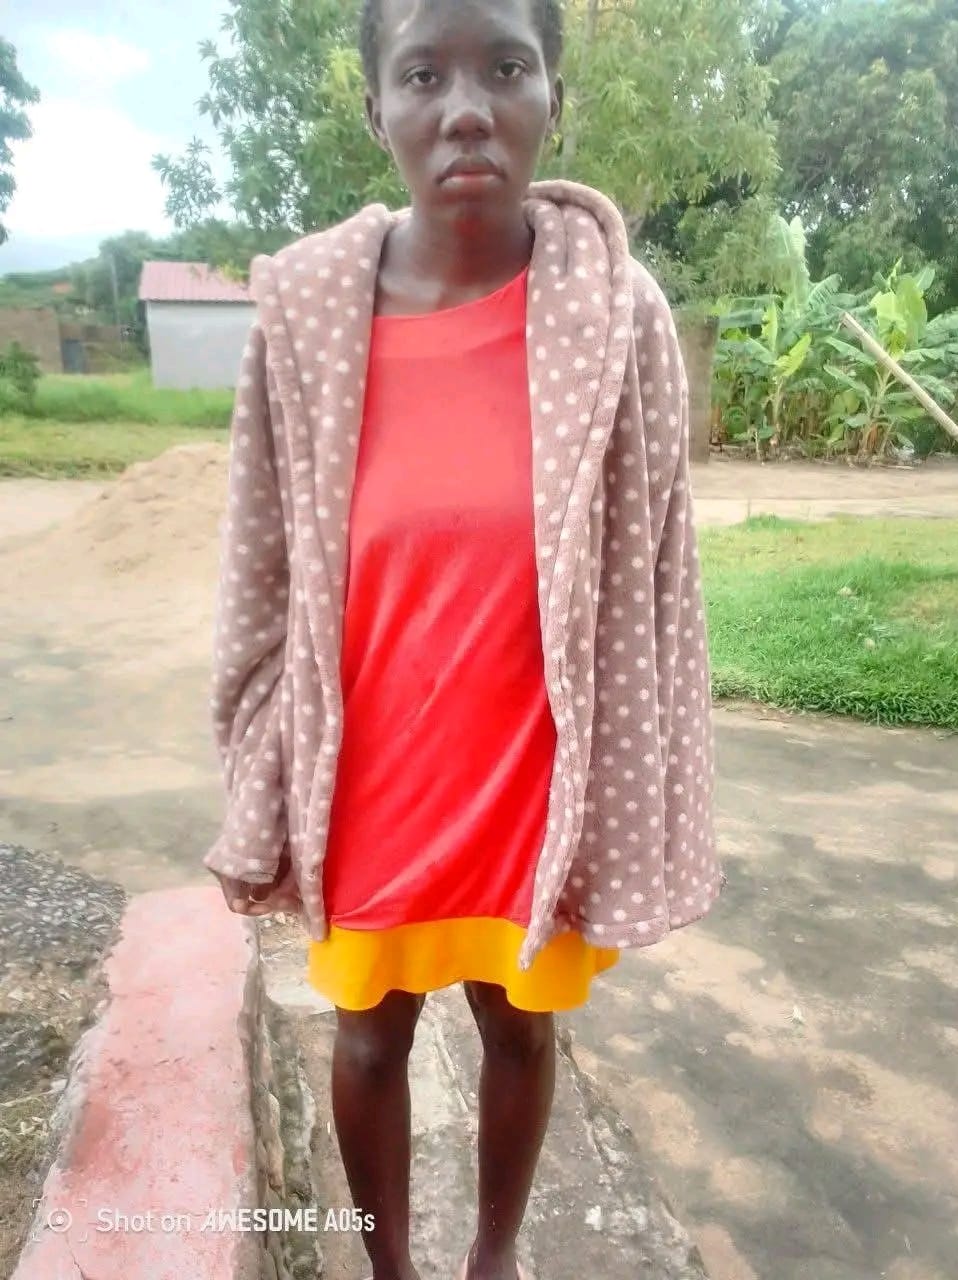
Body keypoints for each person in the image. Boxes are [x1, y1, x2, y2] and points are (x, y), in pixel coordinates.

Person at [203, 2, 722, 1279]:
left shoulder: (618, 315)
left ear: (554, 97)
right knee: (368, 1036)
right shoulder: (305, 321)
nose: (468, 108)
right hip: (370, 771)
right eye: (424, 73)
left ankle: (491, 1257)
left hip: (535, 778)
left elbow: (661, 570)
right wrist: (258, 749)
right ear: (376, 109)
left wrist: (647, 768)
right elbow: (259, 566)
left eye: (506, 66)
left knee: (521, 1030)